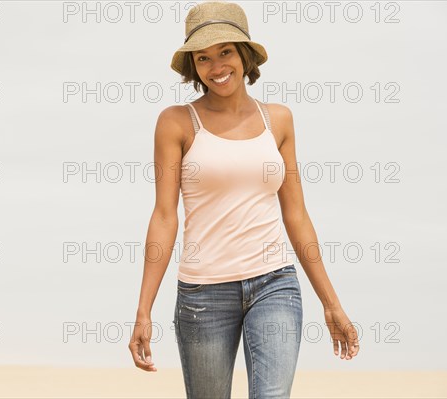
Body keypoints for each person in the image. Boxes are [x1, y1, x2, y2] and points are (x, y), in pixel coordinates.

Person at [128, 1, 360, 398]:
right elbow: (165, 216)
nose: (217, 66)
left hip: (276, 283)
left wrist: (331, 302)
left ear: (244, 54)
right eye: (203, 57)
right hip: (204, 293)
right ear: (194, 66)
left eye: (225, 52)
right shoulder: (176, 122)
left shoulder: (279, 120)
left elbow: (297, 214)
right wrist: (143, 310)